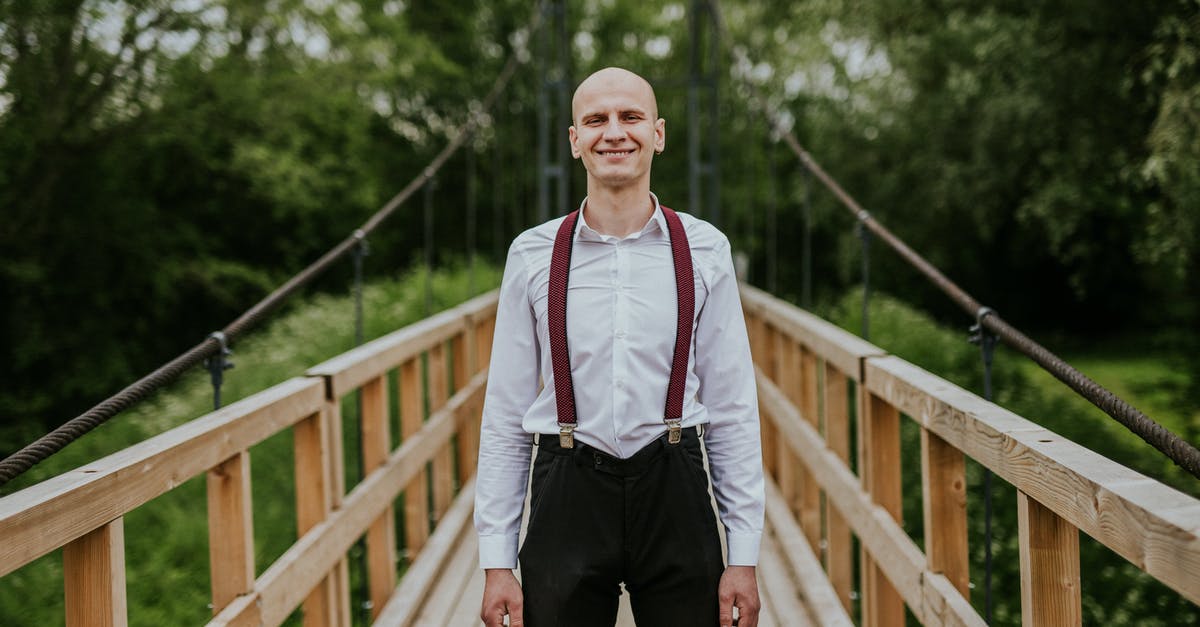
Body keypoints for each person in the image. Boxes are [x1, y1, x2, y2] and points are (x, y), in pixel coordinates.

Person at [475, 66, 764, 627]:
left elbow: (733, 408)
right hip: (567, 489)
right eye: (596, 120)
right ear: (574, 139)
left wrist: (743, 556)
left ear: (657, 133)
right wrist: (496, 562)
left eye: (630, 117)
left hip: (675, 483)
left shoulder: (706, 249)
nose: (614, 132)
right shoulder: (532, 254)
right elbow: (505, 414)